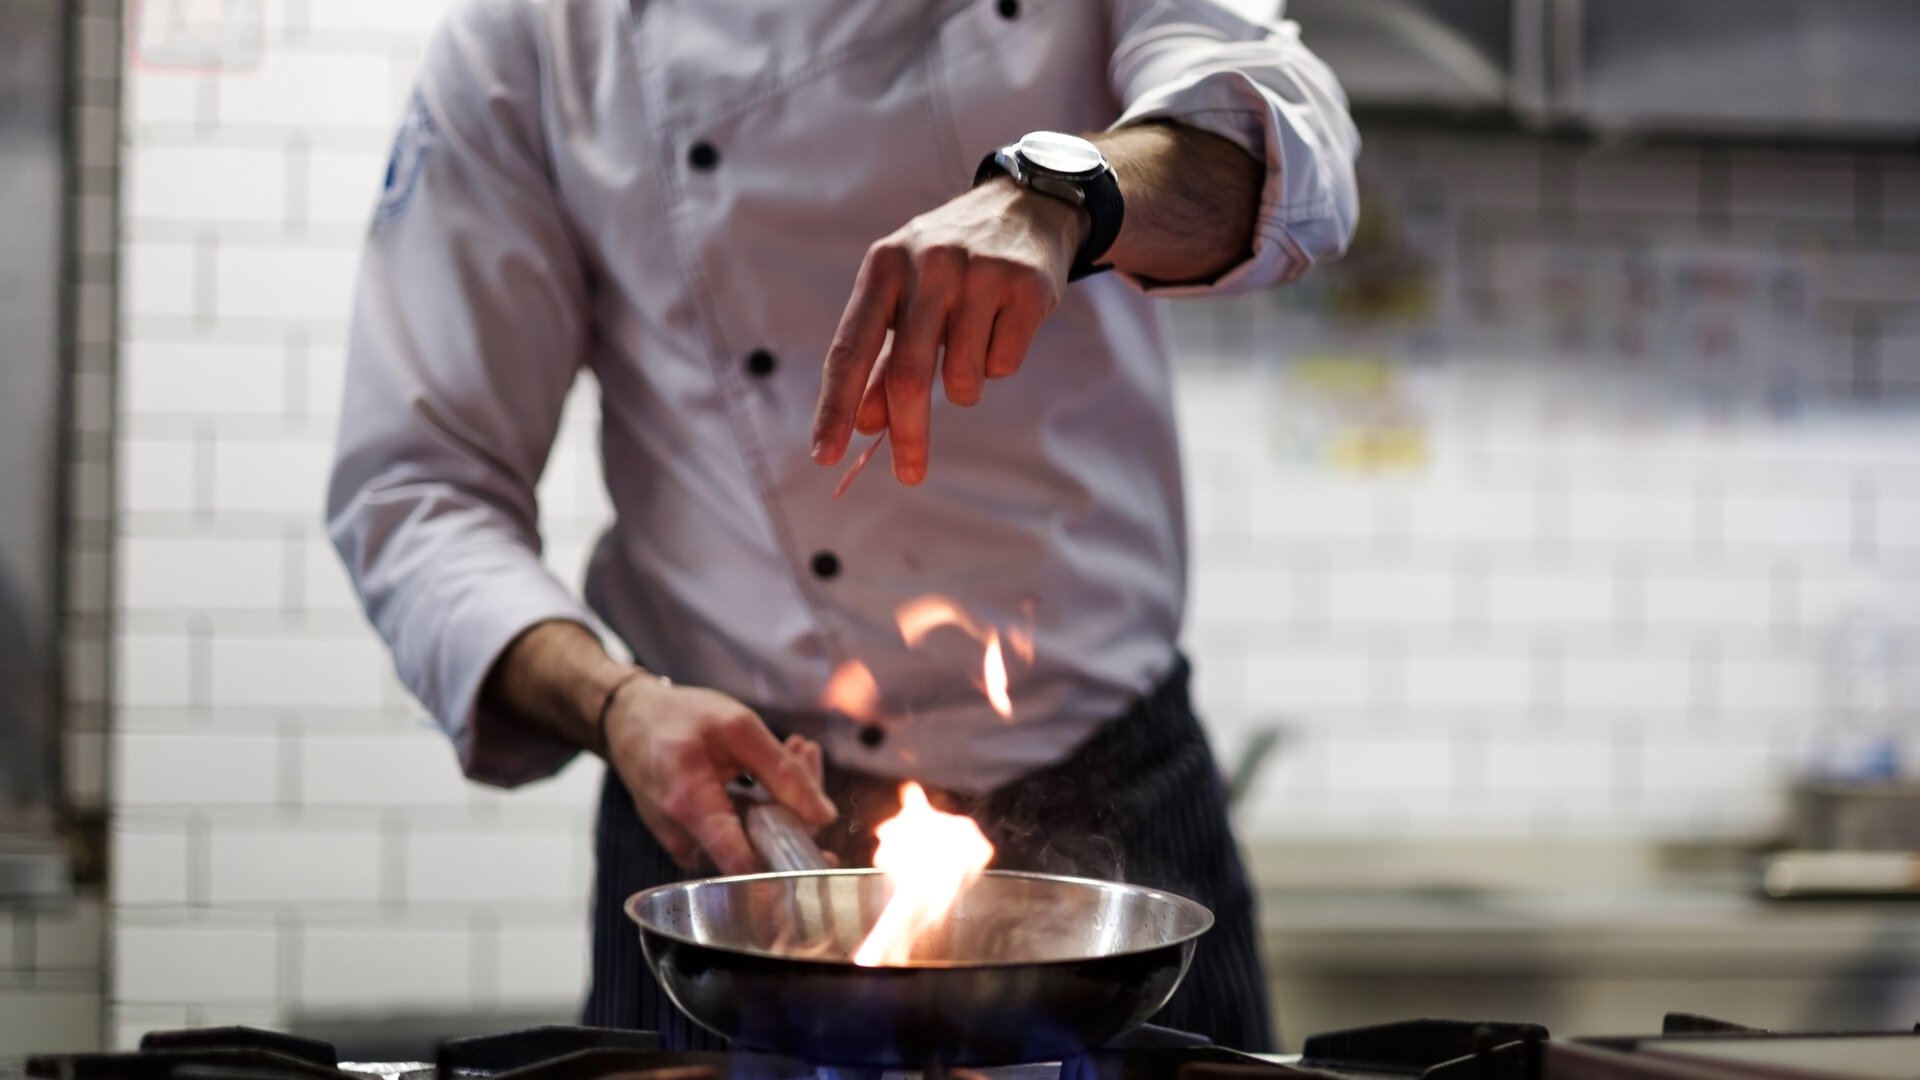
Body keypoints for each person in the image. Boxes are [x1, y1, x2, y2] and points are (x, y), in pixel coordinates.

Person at [327, 0, 1358, 1052]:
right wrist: (617, 705)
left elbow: (1292, 141)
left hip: (1115, 814)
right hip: (730, 837)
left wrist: (1062, 195)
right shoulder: (537, 37)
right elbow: (419, 487)